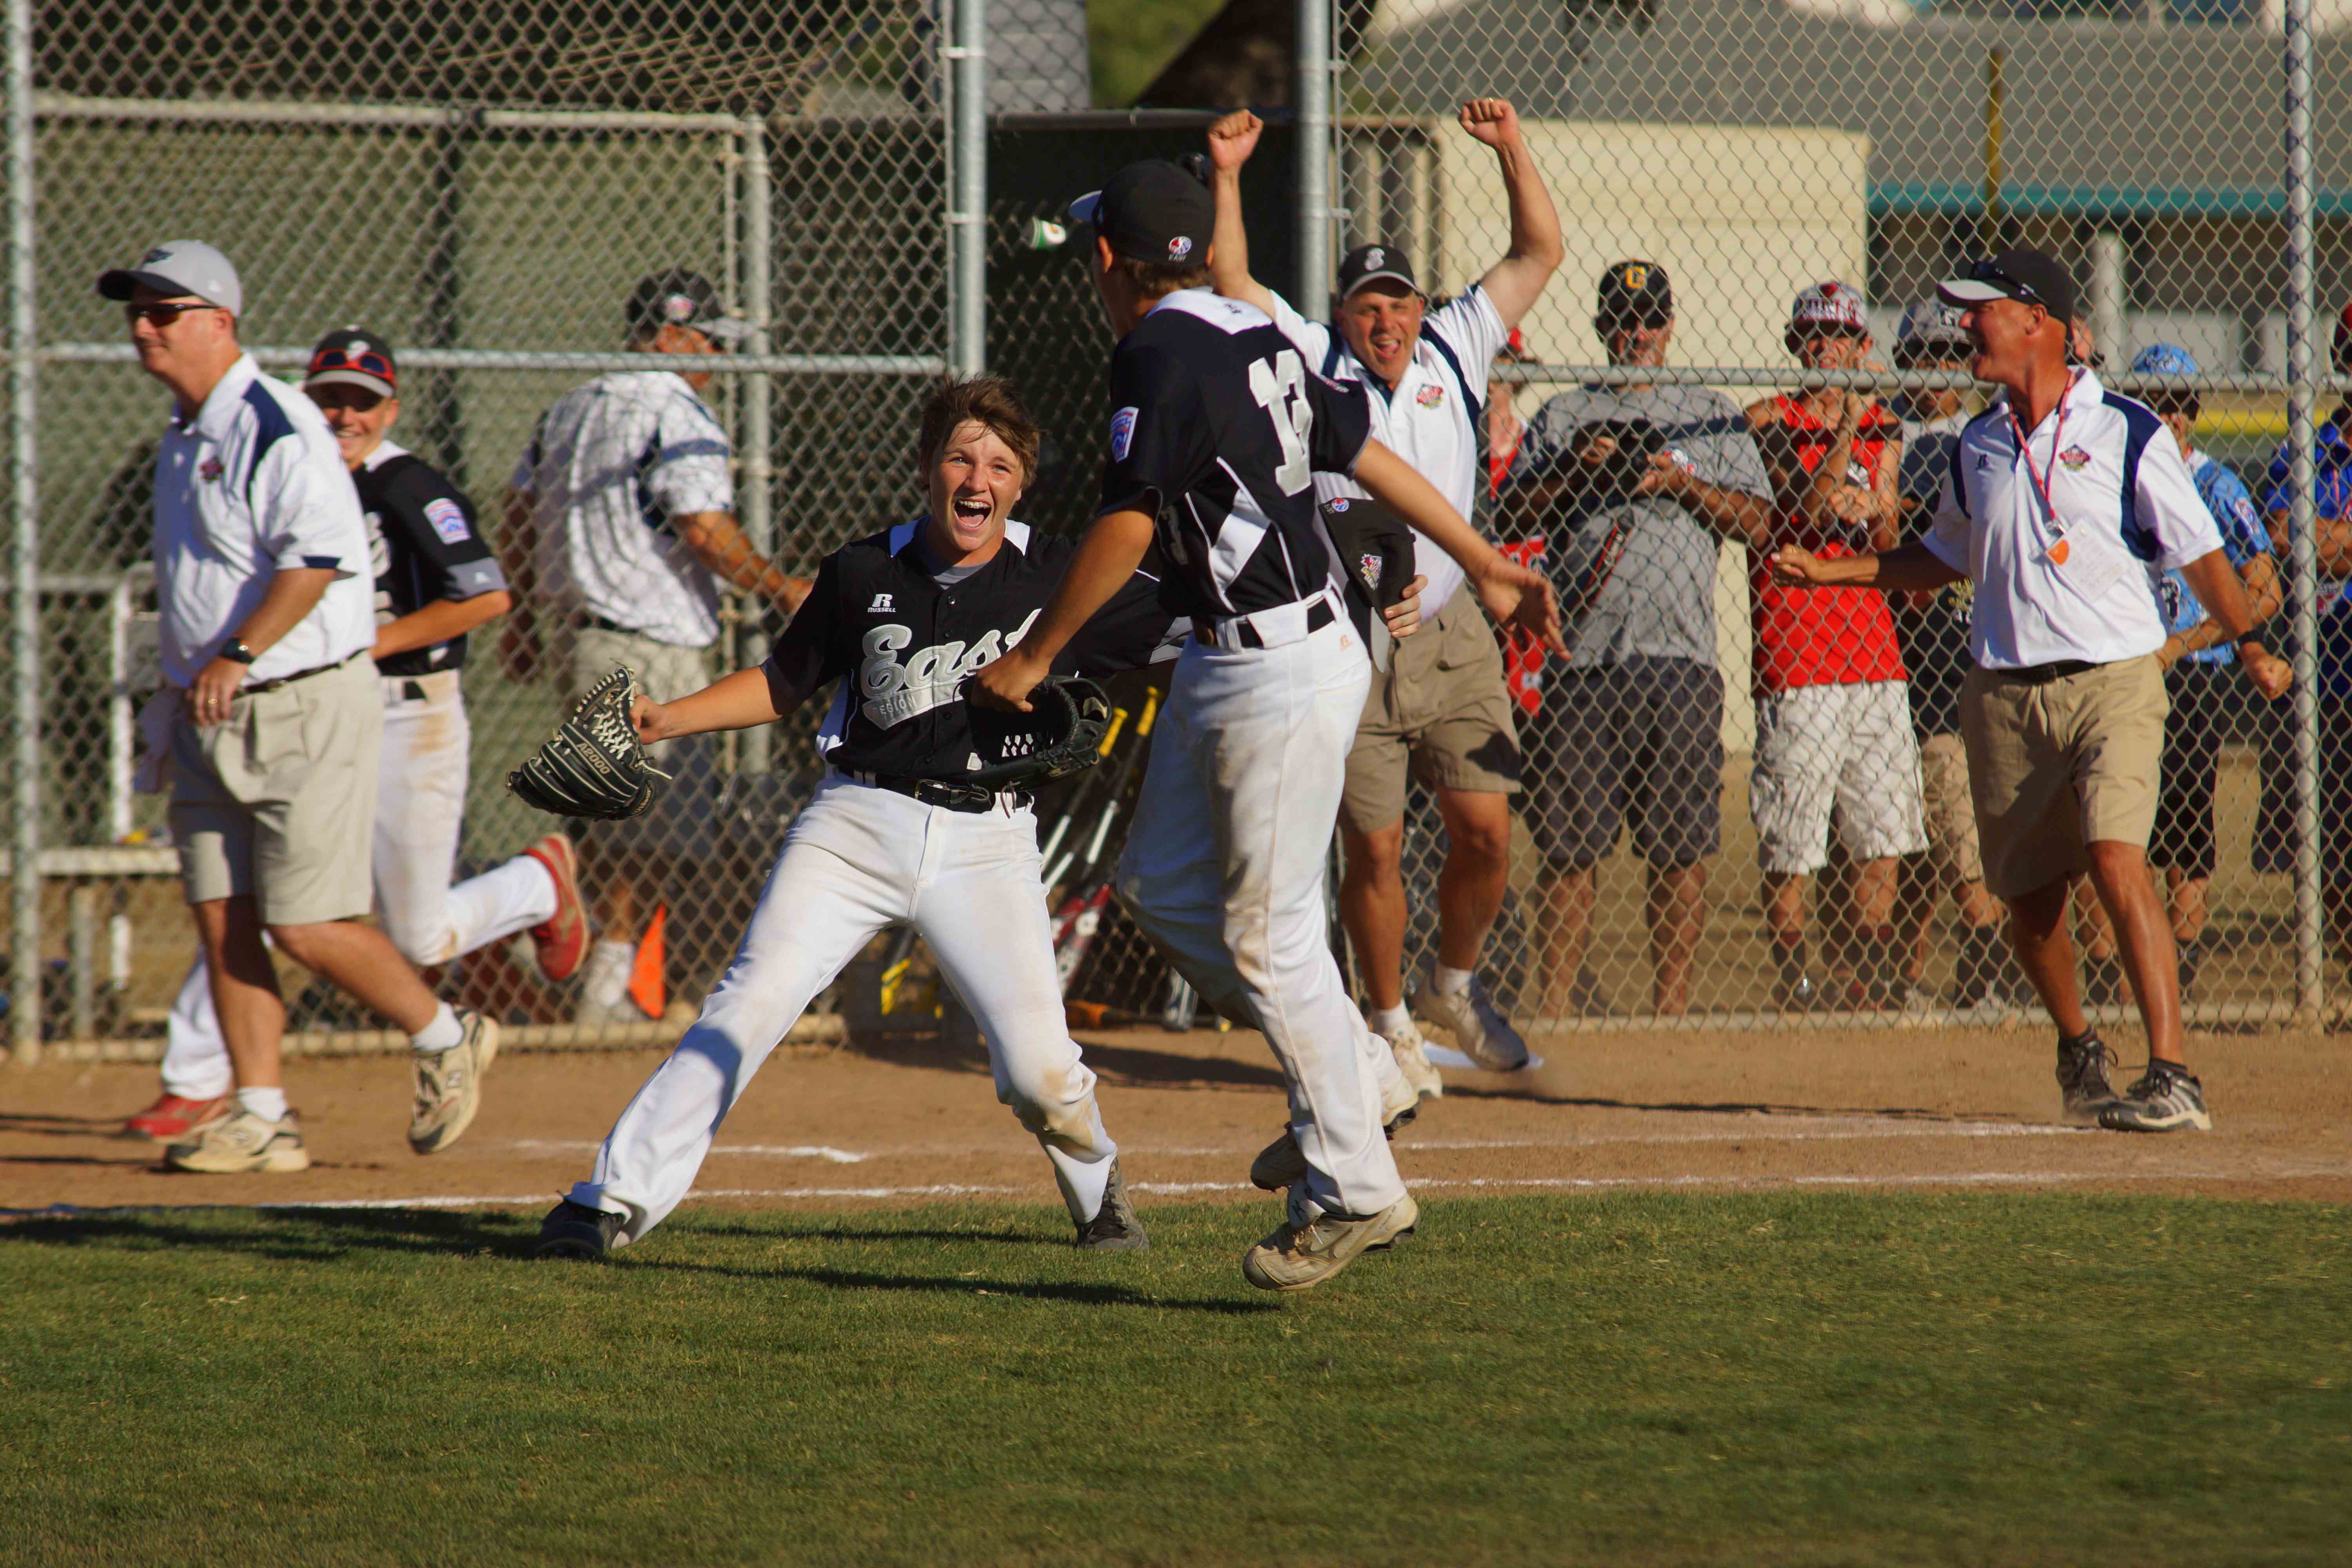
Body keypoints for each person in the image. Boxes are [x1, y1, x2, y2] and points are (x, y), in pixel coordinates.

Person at [972, 159, 1561, 1291]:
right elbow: (1367, 451)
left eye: (1095, 248)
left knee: (1265, 935)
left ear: (1114, 261)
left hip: (1279, 663)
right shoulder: (1254, 333)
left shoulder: (1160, 346)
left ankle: (1357, 1185)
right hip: (1236, 657)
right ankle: (1363, 1081)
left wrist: (1038, 654)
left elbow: (1131, 524)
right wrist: (1481, 553)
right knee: (1162, 887)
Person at [534, 377, 1243, 1259]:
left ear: (1019, 486)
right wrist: (669, 717)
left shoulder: (1061, 572)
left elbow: (1207, 615)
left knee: (1040, 1075)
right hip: (854, 825)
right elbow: (786, 681)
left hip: (988, 838)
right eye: (959, 456)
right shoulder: (866, 568)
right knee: (746, 1003)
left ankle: (1097, 1186)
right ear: (926, 468)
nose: (976, 476)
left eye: (999, 463)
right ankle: (607, 1201)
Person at [1771, 247, 2292, 1133]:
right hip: (2005, 689)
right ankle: (2080, 1046)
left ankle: (2173, 1074)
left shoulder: (2127, 429)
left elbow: (2199, 549)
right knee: (2031, 896)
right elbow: (1943, 557)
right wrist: (1834, 573)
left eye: (1980, 311)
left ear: (2036, 321)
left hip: (2114, 680)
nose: (1964, 326)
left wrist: (2245, 639)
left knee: (2119, 856)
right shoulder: (1978, 442)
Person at [123, 329, 589, 1143]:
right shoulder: (283, 467)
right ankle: (201, 1079)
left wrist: (365, 644)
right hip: (312, 712)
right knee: (242, 898)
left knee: (415, 934)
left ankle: (536, 885)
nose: (345, 414)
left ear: (392, 408)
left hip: (409, 709)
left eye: (364, 401)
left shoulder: (404, 483)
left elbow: (486, 597)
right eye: (330, 396)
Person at [104, 240, 497, 1173]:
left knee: (308, 923)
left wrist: (239, 653)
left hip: (298, 701)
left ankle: (446, 1034)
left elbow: (317, 560)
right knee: (221, 915)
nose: (143, 326)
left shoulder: (276, 422)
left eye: (164, 310)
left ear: (218, 321)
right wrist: (179, 691)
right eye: (137, 311)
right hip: (206, 710)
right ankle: (261, 1114)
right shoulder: (182, 430)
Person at [1201, 98, 1564, 1086]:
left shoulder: (1454, 341)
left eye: (1400, 301)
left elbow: (1540, 251)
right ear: (1345, 311)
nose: (1388, 319)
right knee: (1375, 852)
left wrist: (1511, 150)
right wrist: (1229, 175)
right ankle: (1392, 1017)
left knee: (1486, 828)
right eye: (1370, 304)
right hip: (1352, 639)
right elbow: (1232, 282)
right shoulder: (1315, 360)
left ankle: (1454, 979)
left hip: (1450, 628)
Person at [501, 269, 810, 1024]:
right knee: (650, 833)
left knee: (630, 826)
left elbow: (514, 511)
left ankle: (600, 982)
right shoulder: (676, 408)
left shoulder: (572, 405)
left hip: (584, 641)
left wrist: (518, 621)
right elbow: (702, 526)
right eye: (707, 342)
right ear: (670, 336)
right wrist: (777, 588)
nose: (715, 361)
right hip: (648, 644)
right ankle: (586, 965)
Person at [1499, 261, 1772, 1016]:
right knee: (1567, 847)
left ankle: (1669, 1014)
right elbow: (1510, 515)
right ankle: (1557, 1010)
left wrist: (1682, 483)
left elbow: (1760, 526)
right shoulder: (1565, 413)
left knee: (1680, 847)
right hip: (1582, 660)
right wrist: (1578, 474)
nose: (1636, 334)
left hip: (1681, 659)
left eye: (1649, 319)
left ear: (1670, 324)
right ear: (1598, 327)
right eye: (1620, 319)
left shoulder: (1709, 413)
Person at [1743, 283, 1927, 1010]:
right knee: (1794, 840)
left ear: (1861, 347)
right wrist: (1847, 438)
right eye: (1813, 336)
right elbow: (1802, 511)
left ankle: (1862, 980)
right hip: (1799, 654)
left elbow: (1880, 537)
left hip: (1873, 655)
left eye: (1841, 336)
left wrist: (1875, 503)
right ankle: (1799, 984)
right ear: (1798, 345)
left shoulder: (1885, 430)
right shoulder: (1769, 420)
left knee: (1880, 831)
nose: (1826, 348)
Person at [2129, 345, 2280, 996]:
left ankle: (2181, 967)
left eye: (2180, 406)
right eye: (2155, 406)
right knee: (2121, 823)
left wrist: (2185, 643)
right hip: (2130, 666)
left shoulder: (2217, 486)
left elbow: (2264, 590)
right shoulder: (2118, 482)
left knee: (2188, 820)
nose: (2170, 419)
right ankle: (2117, 971)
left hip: (2197, 675)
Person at [1886, 298, 2014, 1012]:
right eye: (1919, 356)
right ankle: (1909, 981)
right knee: (1922, 839)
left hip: (1976, 658)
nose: (1932, 370)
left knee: (1960, 831)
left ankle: (1982, 970)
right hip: (1911, 660)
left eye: (1945, 354)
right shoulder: (1893, 434)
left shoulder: (1986, 434)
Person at [2255, 305, 2352, 973]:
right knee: (2328, 849)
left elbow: (2316, 541)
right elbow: (2284, 534)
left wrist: (2330, 540)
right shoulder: (2310, 447)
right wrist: (2327, 543)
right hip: (2330, 678)